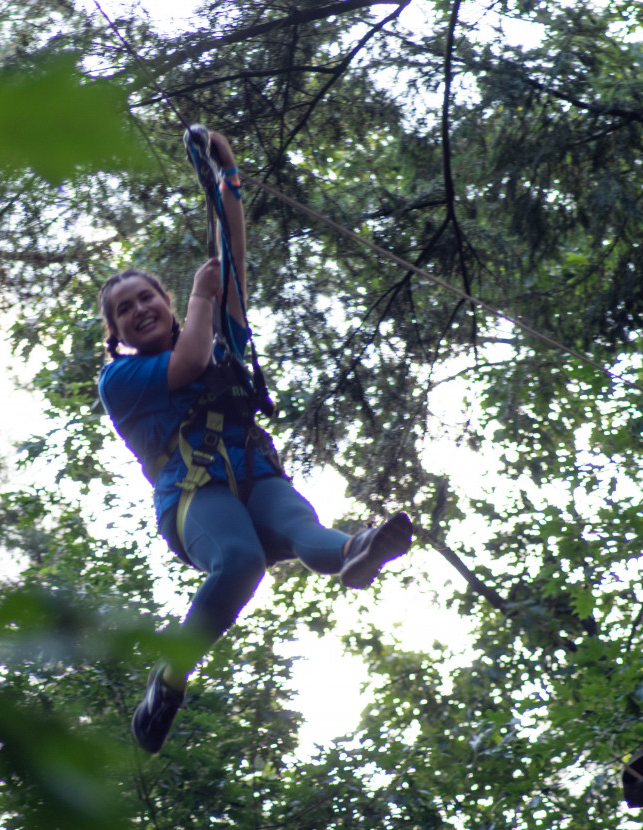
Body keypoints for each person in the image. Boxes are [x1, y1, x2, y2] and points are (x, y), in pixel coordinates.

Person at [96, 130, 413, 754]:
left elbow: (230, 257)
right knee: (240, 562)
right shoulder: (122, 379)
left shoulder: (220, 334)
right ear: (118, 333)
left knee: (304, 528)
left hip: (257, 475)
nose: (139, 310)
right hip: (196, 494)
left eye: (146, 298)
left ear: (163, 301)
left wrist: (228, 174)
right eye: (125, 310)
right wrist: (199, 297)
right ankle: (170, 678)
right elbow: (186, 362)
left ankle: (360, 549)